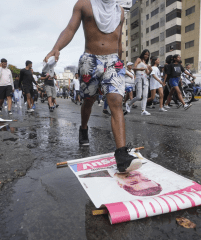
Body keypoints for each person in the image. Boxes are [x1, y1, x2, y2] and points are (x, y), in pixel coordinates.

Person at [44, 0, 141, 173]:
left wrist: (121, 64)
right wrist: (56, 47)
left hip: (113, 61)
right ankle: (83, 129)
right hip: (90, 59)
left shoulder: (120, 11)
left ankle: (121, 155)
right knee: (89, 100)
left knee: (116, 101)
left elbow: (119, 42)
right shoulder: (84, 4)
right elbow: (70, 29)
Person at [127, 49, 151, 116]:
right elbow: (134, 68)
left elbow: (147, 73)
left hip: (145, 80)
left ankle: (143, 110)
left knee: (145, 95)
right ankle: (128, 104)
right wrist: (140, 69)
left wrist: (150, 70)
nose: (146, 56)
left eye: (148, 55)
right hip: (139, 79)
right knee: (138, 96)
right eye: (145, 54)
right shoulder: (139, 59)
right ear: (143, 54)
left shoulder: (146, 64)